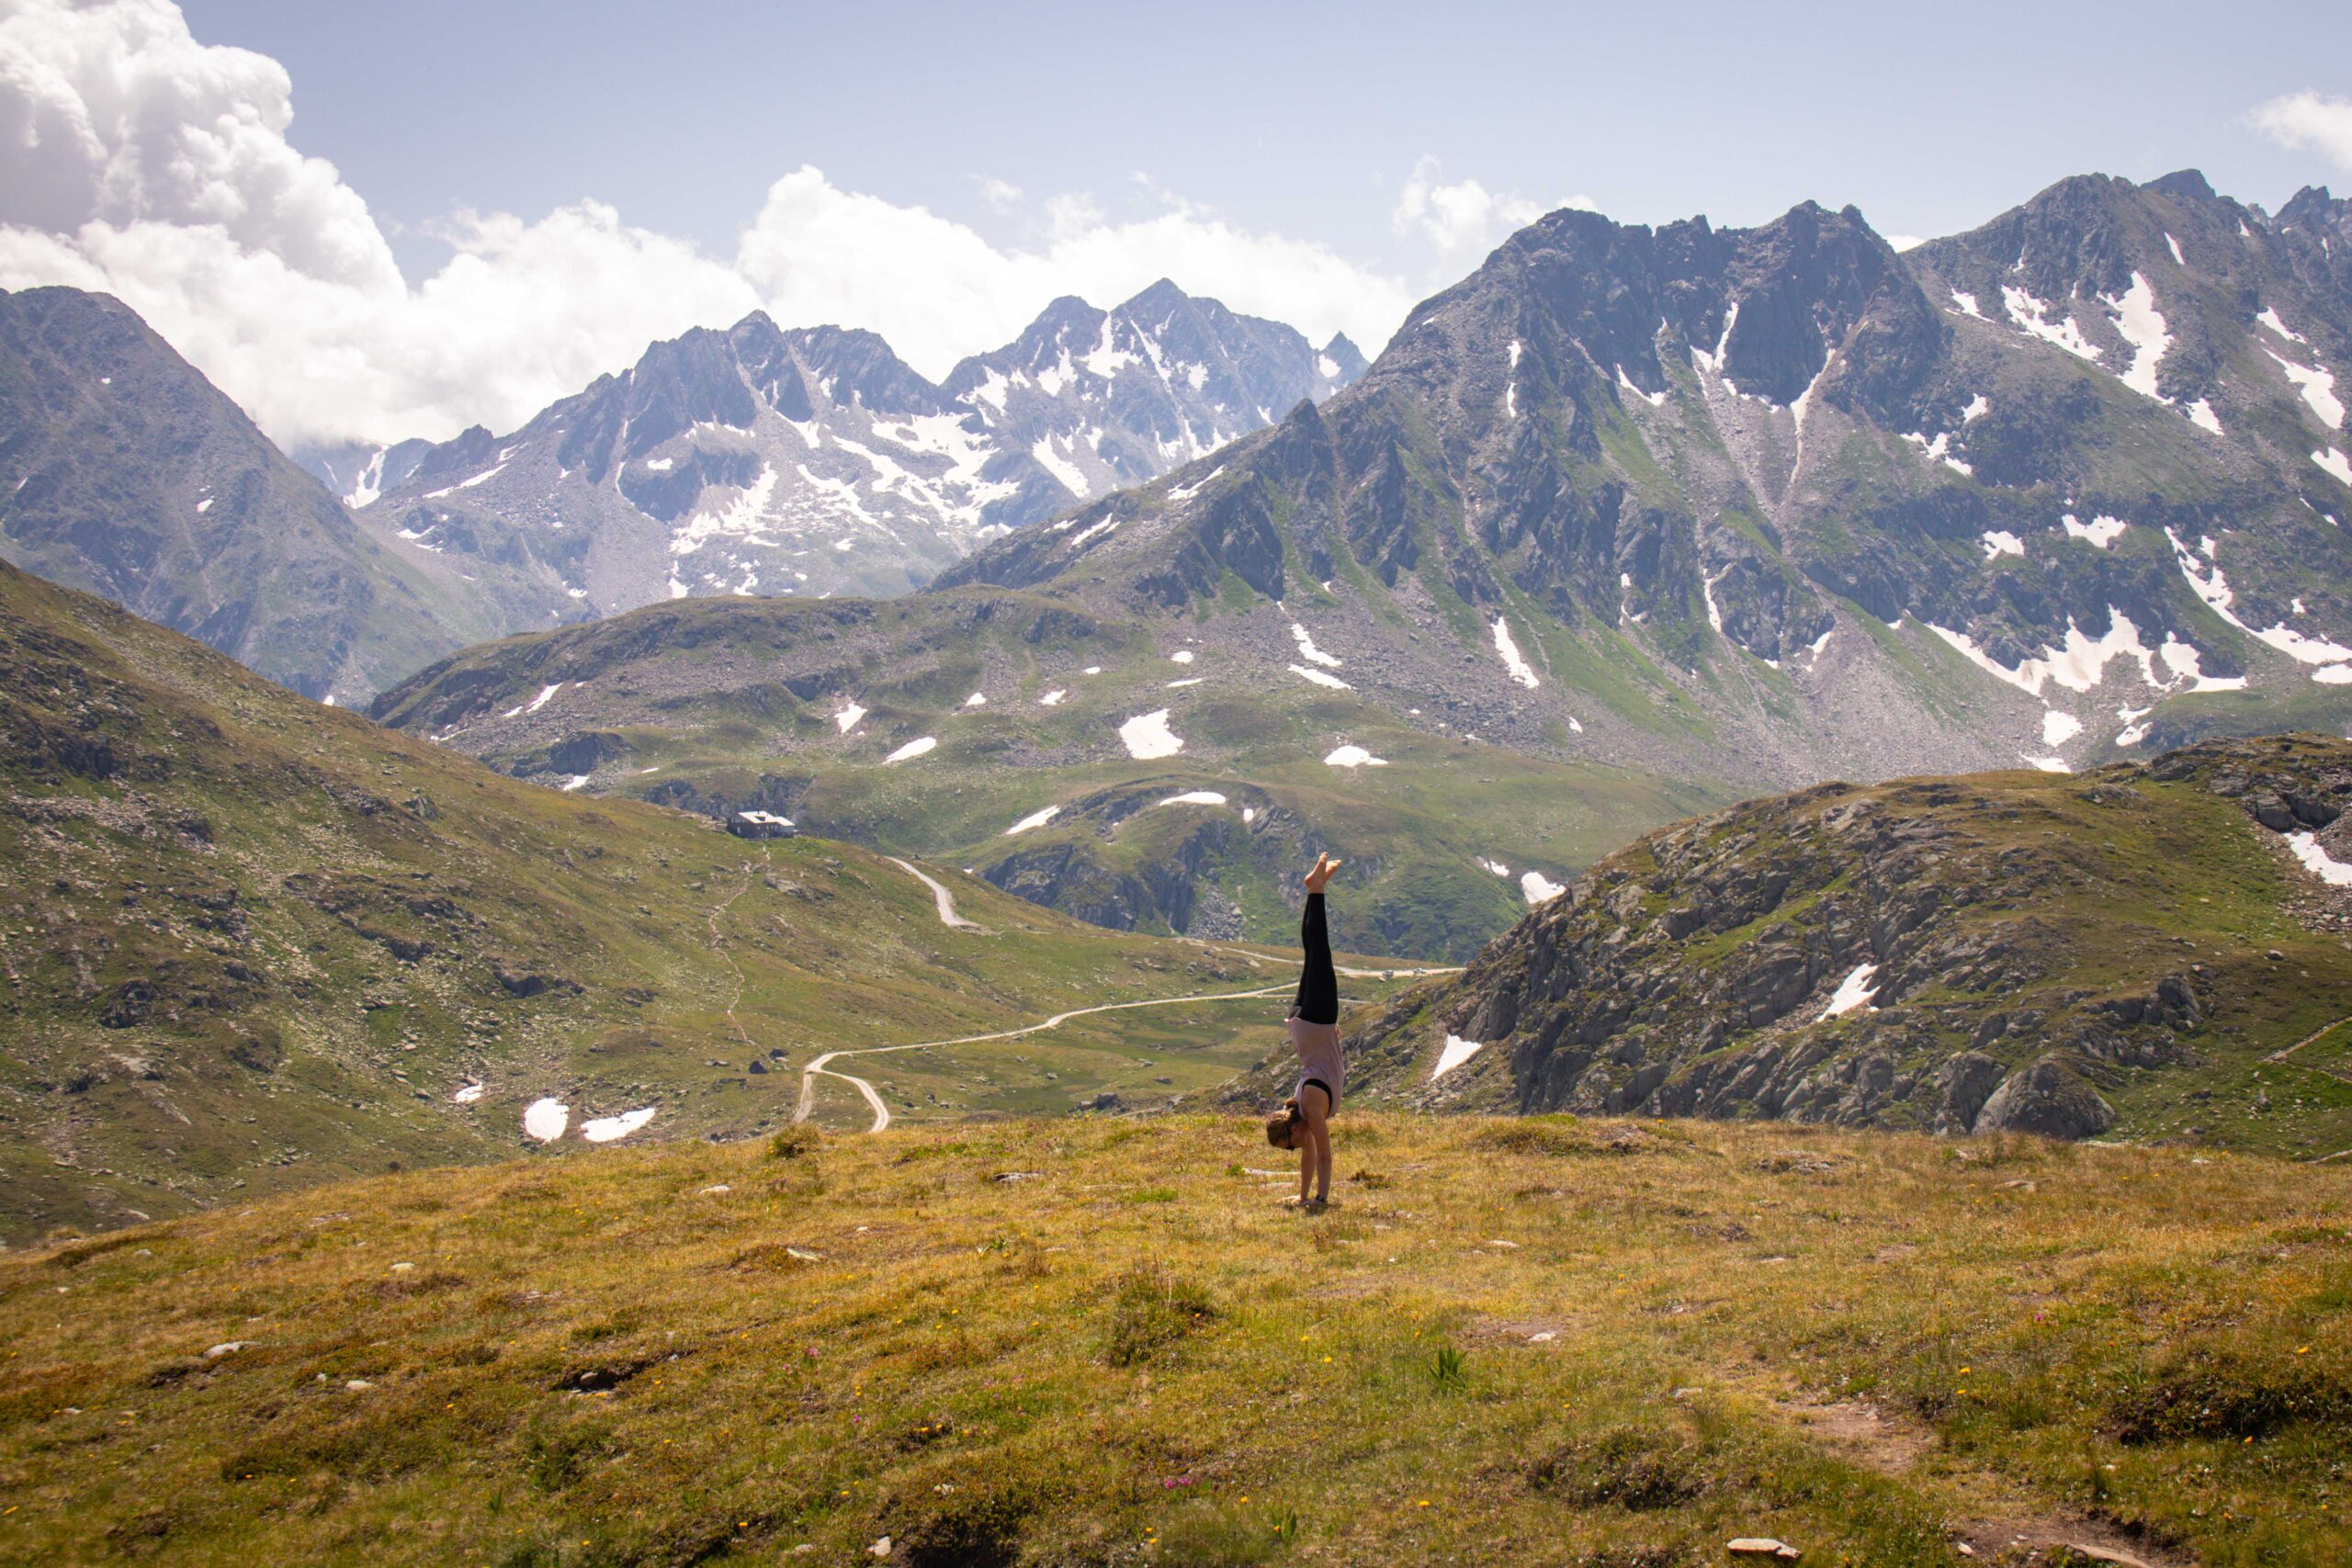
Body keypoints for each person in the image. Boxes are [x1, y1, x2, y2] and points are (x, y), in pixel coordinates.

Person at [1266, 852, 1343, 1207]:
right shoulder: (1303, 1111)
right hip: (1303, 1025)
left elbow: (1325, 1157)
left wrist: (1321, 1200)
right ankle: (1315, 889)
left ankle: (1317, 891)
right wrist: (1302, 1198)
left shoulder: (1311, 1107)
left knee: (1319, 953)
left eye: (1290, 1144)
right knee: (1311, 953)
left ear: (1294, 1129)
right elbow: (1310, 1156)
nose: (1295, 1149)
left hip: (1317, 1020)